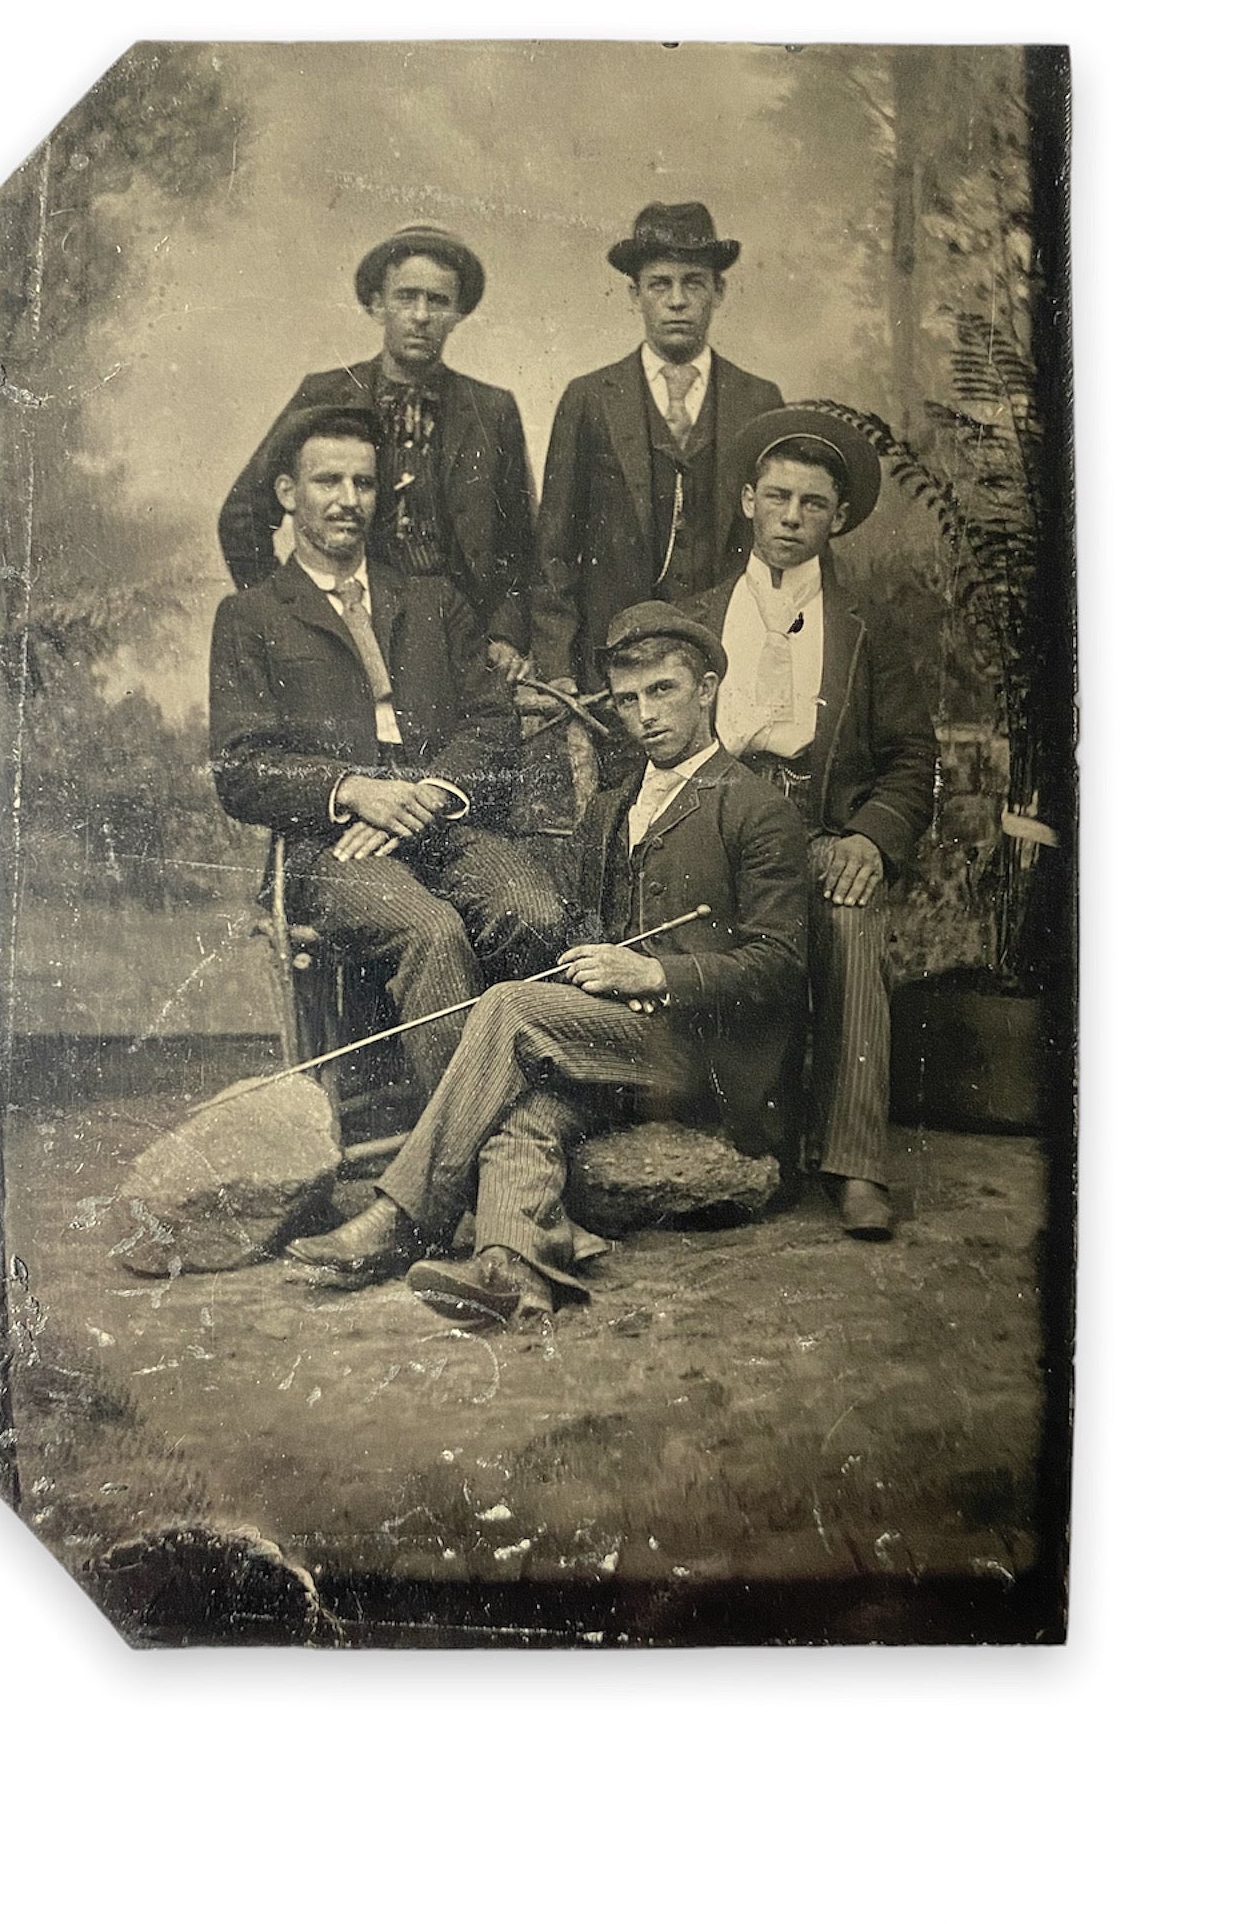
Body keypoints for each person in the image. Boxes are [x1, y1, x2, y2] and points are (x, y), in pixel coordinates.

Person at [285, 604, 810, 1326]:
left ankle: (403, 1214)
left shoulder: (756, 808)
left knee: (507, 1006)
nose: (645, 716)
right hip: (617, 1048)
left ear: (709, 688)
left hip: (705, 1053)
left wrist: (654, 975)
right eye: (627, 701)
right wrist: (586, 959)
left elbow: (783, 967)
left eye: (663, 691)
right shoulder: (611, 806)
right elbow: (586, 924)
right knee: (521, 1111)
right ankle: (514, 1271)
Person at [208, 406, 566, 1097]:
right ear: (288, 494)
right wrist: (352, 790)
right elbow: (240, 766)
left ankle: (526, 1121)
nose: (348, 501)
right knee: (430, 932)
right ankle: (464, 1157)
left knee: (535, 911)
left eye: (365, 484)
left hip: (445, 821)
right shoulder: (251, 616)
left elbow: (493, 721)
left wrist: (426, 796)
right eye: (328, 481)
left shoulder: (434, 602)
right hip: (330, 845)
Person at [687, 406, 938, 1236]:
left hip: (819, 828)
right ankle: (718, 1140)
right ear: (749, 501)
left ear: (838, 518)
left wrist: (869, 837)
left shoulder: (869, 627)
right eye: (779, 497)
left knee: (851, 921)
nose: (793, 519)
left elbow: (908, 757)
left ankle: (855, 1162)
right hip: (713, 825)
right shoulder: (692, 613)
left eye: (814, 505)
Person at [217, 224, 537, 683]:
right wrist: (289, 611)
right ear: (376, 304)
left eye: (438, 301)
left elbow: (522, 545)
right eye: (406, 297)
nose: (421, 315)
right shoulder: (326, 393)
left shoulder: (490, 409)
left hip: (458, 639)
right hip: (350, 625)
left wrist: (505, 635)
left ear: (459, 313)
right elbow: (244, 514)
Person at [532, 202, 784, 699]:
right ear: (634, 294)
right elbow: (555, 550)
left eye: (694, 283)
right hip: (610, 668)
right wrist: (557, 670)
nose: (677, 301)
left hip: (727, 663)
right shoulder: (589, 398)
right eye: (659, 284)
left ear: (719, 291)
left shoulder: (759, 400)